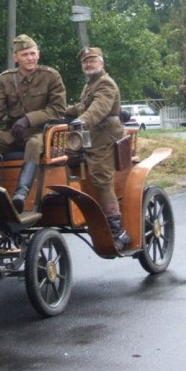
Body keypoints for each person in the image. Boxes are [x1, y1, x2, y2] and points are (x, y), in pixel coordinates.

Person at [0, 34, 66, 212]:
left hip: (41, 132)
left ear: (38, 54)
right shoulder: (6, 79)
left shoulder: (50, 76)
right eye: (25, 55)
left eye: (32, 53)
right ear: (15, 58)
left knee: (33, 144)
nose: (30, 58)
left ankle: (20, 194)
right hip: (13, 133)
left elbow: (58, 109)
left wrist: (28, 119)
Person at [64, 46, 131, 251]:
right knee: (62, 163)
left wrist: (80, 121)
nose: (88, 64)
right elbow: (81, 107)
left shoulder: (106, 84)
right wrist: (58, 111)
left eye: (92, 60)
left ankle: (117, 231)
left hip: (105, 139)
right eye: (85, 62)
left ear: (101, 62)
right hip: (88, 137)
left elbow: (98, 108)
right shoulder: (90, 85)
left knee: (101, 178)